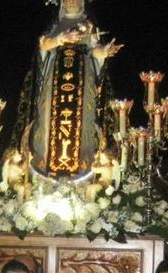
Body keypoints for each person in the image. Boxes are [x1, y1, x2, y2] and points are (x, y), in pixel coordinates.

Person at [13, 0, 122, 180]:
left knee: (84, 122)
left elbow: (94, 51)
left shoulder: (89, 25)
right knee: (49, 121)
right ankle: (47, 174)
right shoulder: (55, 23)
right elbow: (43, 45)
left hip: (82, 83)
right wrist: (60, 39)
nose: (71, 1)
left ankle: (80, 174)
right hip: (55, 83)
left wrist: (105, 51)